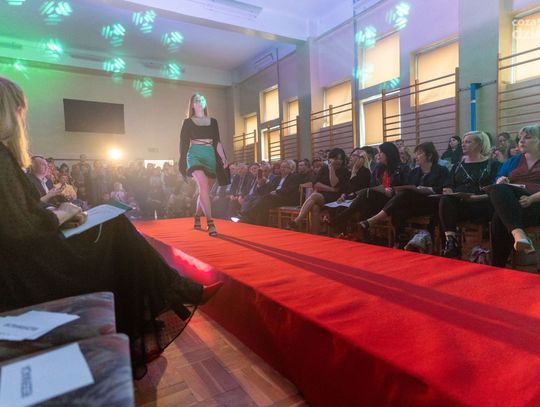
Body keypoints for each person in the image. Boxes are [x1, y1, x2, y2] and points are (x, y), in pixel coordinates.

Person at [0, 77, 222, 378]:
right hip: (31, 267)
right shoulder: (2, 158)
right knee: (117, 230)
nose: (22, 119)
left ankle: (153, 308)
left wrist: (60, 214)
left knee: (114, 226)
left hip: (29, 255)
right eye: (20, 111)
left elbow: (17, 215)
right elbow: (17, 230)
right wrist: (61, 214)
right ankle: (164, 298)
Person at [359, 142, 448, 248]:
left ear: (429, 155)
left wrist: (428, 189)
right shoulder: (415, 172)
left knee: (404, 196)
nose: (416, 156)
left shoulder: (441, 170)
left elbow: (445, 189)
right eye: (416, 153)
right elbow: (408, 186)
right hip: (414, 202)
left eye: (419, 153)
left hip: (431, 202)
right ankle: (400, 240)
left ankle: (373, 220)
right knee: (398, 209)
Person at [439, 131, 499, 258]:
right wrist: (449, 190)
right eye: (463, 142)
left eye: (468, 142)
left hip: (482, 204)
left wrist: (475, 198)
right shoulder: (457, 166)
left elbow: (496, 190)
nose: (463, 145)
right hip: (461, 204)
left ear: (479, 145)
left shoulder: (493, 164)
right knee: (445, 200)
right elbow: (448, 184)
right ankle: (451, 241)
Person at [489, 125, 540, 267]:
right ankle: (519, 234)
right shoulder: (512, 161)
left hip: (536, 204)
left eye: (528, 137)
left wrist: (531, 199)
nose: (521, 141)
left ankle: (497, 266)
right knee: (498, 189)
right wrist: (500, 180)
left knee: (499, 217)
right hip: (516, 205)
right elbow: (498, 180)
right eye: (520, 138)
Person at [179, 93, 228, 236]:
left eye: (201, 100)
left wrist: (223, 157)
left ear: (205, 103)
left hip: (210, 155)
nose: (199, 102)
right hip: (194, 154)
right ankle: (210, 223)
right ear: (192, 104)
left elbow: (217, 141)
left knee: (204, 190)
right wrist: (182, 162)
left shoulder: (213, 121)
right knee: (203, 185)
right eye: (196, 100)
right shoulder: (187, 122)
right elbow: (183, 143)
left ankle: (197, 215)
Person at [287, 148, 349, 234]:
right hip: (323, 197)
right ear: (330, 158)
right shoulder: (324, 169)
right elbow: (315, 184)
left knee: (315, 195)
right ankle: (316, 235)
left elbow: (334, 183)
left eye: (340, 159)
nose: (338, 161)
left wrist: (331, 169)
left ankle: (297, 220)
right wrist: (331, 189)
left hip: (335, 199)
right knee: (314, 208)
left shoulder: (344, 171)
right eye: (336, 158)